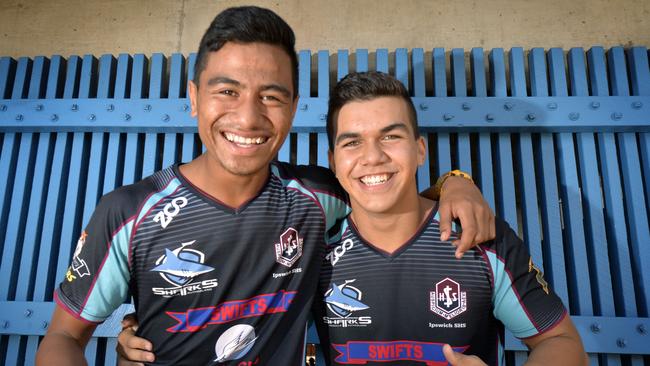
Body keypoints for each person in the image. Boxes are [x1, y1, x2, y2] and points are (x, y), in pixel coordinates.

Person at [35, 6, 494, 366]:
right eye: (227, 91)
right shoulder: (129, 212)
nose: (249, 118)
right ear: (194, 98)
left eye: (271, 97)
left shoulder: (318, 198)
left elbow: (385, 188)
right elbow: (62, 337)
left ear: (293, 108)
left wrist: (456, 184)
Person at [310, 71, 586, 365]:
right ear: (333, 162)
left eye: (390, 136)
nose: (373, 156)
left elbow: (560, 340)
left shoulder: (477, 235)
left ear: (419, 150)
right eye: (352, 143)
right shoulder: (312, 248)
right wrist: (454, 180)